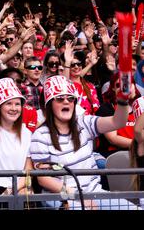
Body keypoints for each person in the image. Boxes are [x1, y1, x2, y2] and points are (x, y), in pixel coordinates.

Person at [30, 75, 139, 210]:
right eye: (59, 98)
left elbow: (118, 122)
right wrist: (77, 196)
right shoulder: (40, 136)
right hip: (62, 198)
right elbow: (43, 179)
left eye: (70, 98)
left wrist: (123, 101)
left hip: (95, 194)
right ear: (49, 104)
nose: (66, 102)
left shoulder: (84, 123)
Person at [0, 78, 33, 207]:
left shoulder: (26, 132)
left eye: (17, 104)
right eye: (8, 103)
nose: (14, 108)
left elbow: (28, 168)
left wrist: (15, 189)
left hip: (18, 189)